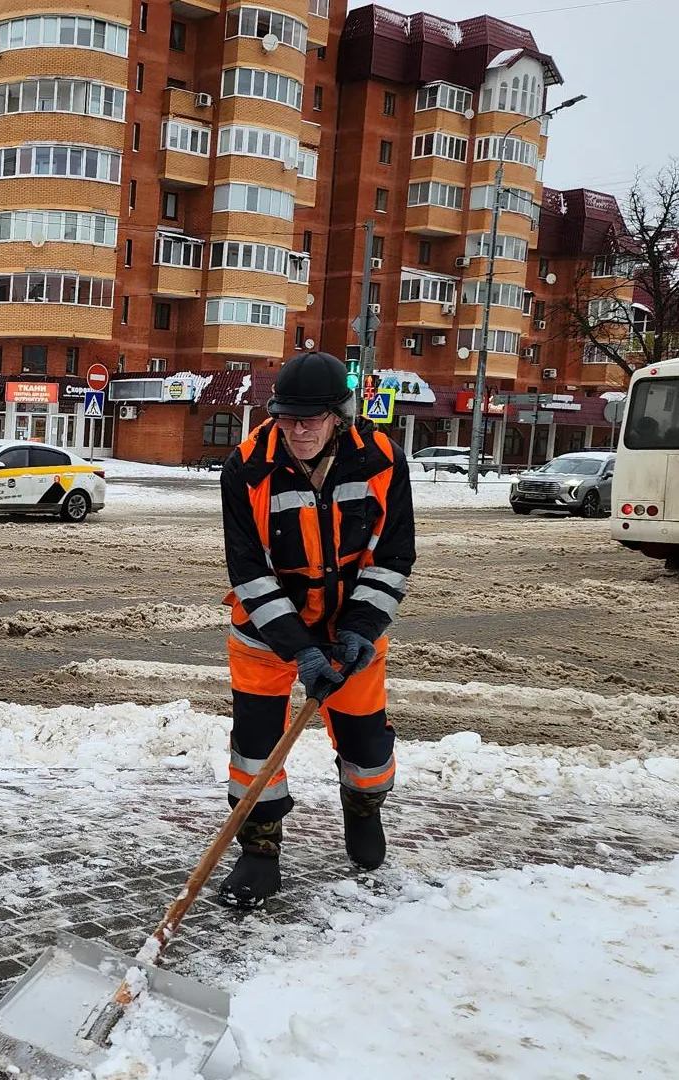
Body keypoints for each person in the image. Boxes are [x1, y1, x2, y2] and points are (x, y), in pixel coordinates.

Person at [216, 352, 416, 908]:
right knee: (256, 747)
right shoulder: (247, 467)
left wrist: (359, 629)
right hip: (266, 634)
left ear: (339, 416)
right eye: (286, 418)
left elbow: (392, 556)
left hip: (352, 632)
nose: (296, 430)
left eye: (309, 419)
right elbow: (248, 570)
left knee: (365, 744)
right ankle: (259, 850)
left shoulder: (380, 460)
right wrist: (300, 649)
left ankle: (363, 811)